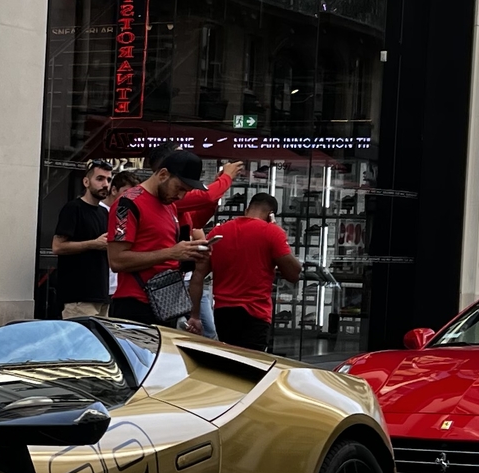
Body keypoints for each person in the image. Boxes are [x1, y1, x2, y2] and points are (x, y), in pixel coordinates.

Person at [108, 148, 210, 328]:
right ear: (163, 174)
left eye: (186, 191)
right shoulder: (128, 203)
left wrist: (190, 253)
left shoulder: (170, 206)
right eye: (179, 188)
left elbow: (164, 249)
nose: (180, 196)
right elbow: (116, 260)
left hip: (166, 301)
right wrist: (172, 253)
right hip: (135, 304)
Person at [191, 194, 304, 353]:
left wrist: (195, 315)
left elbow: (198, 275)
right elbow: (294, 273)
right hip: (255, 312)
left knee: (229, 358)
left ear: (246, 210)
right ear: (271, 214)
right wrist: (279, 234)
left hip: (224, 312)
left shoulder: (218, 232)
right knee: (252, 364)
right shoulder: (272, 232)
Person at [51, 160, 116, 319]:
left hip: (101, 294)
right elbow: (57, 247)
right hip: (78, 296)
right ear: (86, 182)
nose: (105, 184)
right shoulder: (73, 208)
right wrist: (93, 244)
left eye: (108, 179)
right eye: (99, 179)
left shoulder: (104, 213)